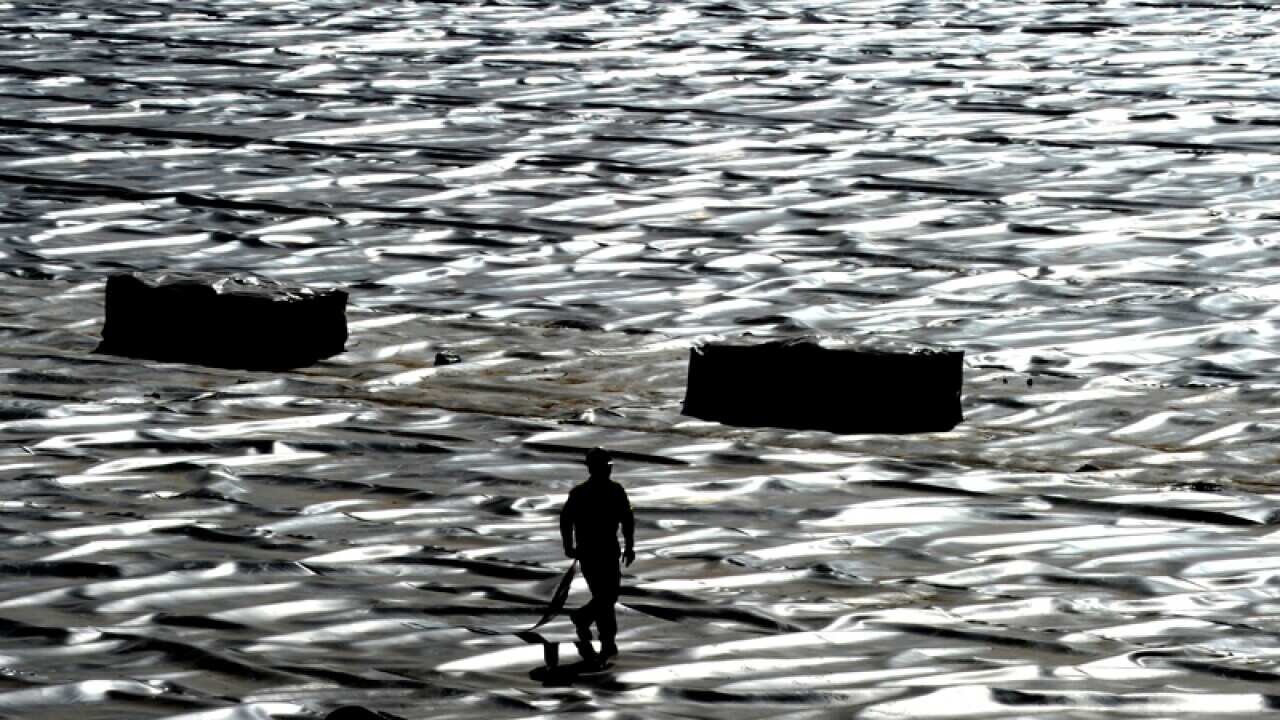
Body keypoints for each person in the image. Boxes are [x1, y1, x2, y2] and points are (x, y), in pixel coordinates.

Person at [560, 446, 635, 663]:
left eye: (609, 466)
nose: (609, 470)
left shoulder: (615, 490)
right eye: (605, 466)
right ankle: (605, 638)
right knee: (606, 595)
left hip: (607, 550)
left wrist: (630, 546)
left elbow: (627, 519)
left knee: (607, 595)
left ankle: (599, 632)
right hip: (591, 551)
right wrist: (568, 544)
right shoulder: (581, 492)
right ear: (594, 468)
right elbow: (566, 520)